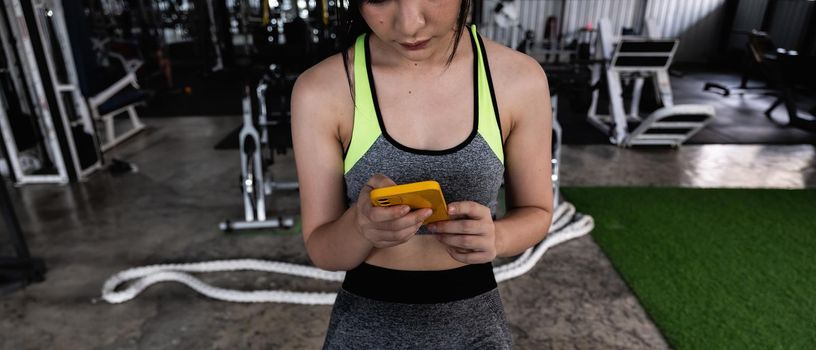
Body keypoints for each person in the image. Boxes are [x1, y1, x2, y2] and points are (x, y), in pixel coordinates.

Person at [291, 0, 553, 348]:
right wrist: (360, 226)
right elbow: (322, 250)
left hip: (475, 331)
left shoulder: (519, 80)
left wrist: (498, 238)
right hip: (363, 332)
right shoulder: (322, 89)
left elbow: (537, 212)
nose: (409, 23)